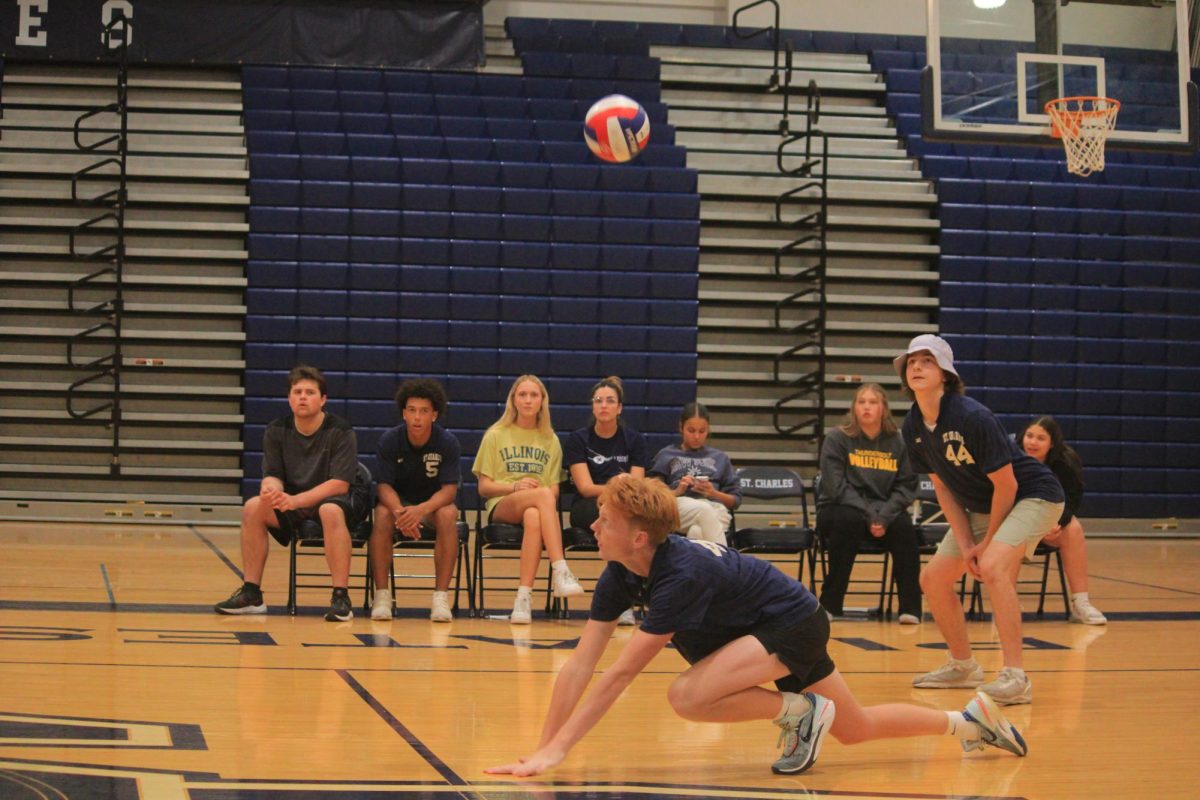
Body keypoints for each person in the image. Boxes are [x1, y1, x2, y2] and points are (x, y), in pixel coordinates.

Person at [484, 475, 1028, 778]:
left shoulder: (679, 574)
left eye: (606, 521)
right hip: (764, 633)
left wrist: (562, 753)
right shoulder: (619, 573)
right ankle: (969, 721)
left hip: (790, 624)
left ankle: (801, 712)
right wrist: (542, 748)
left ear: (640, 538)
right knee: (854, 727)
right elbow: (581, 665)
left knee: (687, 695)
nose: (594, 525)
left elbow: (617, 676)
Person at [897, 335, 1064, 705]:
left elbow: (1007, 484)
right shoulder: (911, 427)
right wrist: (967, 542)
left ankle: (1016, 677)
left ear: (945, 374)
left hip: (1032, 495)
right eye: (912, 362)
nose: (917, 367)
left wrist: (986, 544)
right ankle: (963, 665)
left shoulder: (972, 416)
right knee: (933, 577)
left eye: (927, 361)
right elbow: (944, 490)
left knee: (992, 567)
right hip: (981, 505)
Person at [214, 365, 369, 621]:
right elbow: (273, 473)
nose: (303, 397)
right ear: (289, 398)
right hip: (295, 498)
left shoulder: (340, 430)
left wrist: (295, 500)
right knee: (253, 506)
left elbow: (340, 484)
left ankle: (341, 597)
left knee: (330, 509)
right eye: (297, 392)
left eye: (310, 392)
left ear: (323, 399)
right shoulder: (276, 430)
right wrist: (271, 489)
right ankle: (252, 594)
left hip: (339, 499)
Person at [472, 374, 582, 624]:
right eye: (523, 394)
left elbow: (553, 491)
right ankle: (560, 570)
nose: (528, 400)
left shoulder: (550, 439)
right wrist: (515, 488)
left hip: (537, 508)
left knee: (534, 515)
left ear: (543, 401)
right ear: (513, 400)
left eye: (534, 395)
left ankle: (523, 599)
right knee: (541, 497)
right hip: (502, 504)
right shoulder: (496, 434)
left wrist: (535, 497)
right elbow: (484, 487)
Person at [817, 383, 921, 624]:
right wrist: (870, 514)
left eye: (873, 402)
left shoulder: (899, 441)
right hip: (839, 507)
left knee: (904, 527)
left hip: (884, 509)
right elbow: (835, 486)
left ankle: (910, 608)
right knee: (848, 520)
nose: (866, 407)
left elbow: (906, 486)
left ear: (884, 409)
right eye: (861, 402)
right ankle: (830, 604)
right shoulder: (837, 438)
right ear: (854, 408)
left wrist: (883, 516)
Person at [368, 378, 462, 623]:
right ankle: (382, 596)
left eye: (423, 411)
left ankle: (441, 597)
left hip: (431, 508)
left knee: (448, 513)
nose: (417, 417)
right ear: (403, 413)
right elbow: (383, 485)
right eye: (412, 410)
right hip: (398, 507)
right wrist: (401, 512)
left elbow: (449, 490)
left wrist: (420, 511)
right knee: (382, 513)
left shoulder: (447, 442)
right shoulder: (390, 440)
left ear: (434, 415)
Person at [563, 376, 649, 627]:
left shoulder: (635, 440)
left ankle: (623, 600)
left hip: (624, 505)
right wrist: (615, 488)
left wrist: (619, 493)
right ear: (592, 406)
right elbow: (585, 487)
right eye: (598, 400)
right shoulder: (579, 439)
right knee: (619, 522)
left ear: (619, 408)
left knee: (628, 522)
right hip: (588, 507)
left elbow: (637, 485)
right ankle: (621, 601)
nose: (604, 405)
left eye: (610, 401)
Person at [1020, 416, 1107, 625]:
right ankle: (1004, 607)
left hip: (1047, 523)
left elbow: (1073, 499)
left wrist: (1055, 524)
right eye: (1029, 436)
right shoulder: (1010, 456)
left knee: (1073, 529)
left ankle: (1081, 603)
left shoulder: (1065, 462)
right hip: (1014, 521)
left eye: (1040, 438)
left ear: (1052, 443)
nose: (1032, 442)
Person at [648, 402, 740, 544]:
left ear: (708, 430)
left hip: (716, 508)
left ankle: (700, 565)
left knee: (697, 531)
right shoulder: (666, 455)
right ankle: (728, 564)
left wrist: (713, 493)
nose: (696, 436)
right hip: (679, 505)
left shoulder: (720, 458)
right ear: (681, 428)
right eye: (691, 430)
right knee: (704, 511)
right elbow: (652, 496)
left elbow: (735, 501)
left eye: (702, 431)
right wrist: (677, 491)